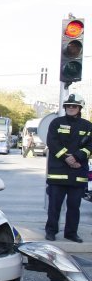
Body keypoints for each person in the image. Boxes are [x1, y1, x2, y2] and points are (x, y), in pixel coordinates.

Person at [44, 94, 92, 243]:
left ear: (79, 108)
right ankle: (51, 232)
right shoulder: (56, 123)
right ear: (65, 107)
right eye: (69, 105)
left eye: (74, 106)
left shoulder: (87, 125)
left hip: (77, 173)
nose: (71, 108)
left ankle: (71, 233)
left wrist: (77, 157)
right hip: (58, 172)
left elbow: (90, 146)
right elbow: (52, 143)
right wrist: (67, 158)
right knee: (54, 207)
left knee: (74, 207)